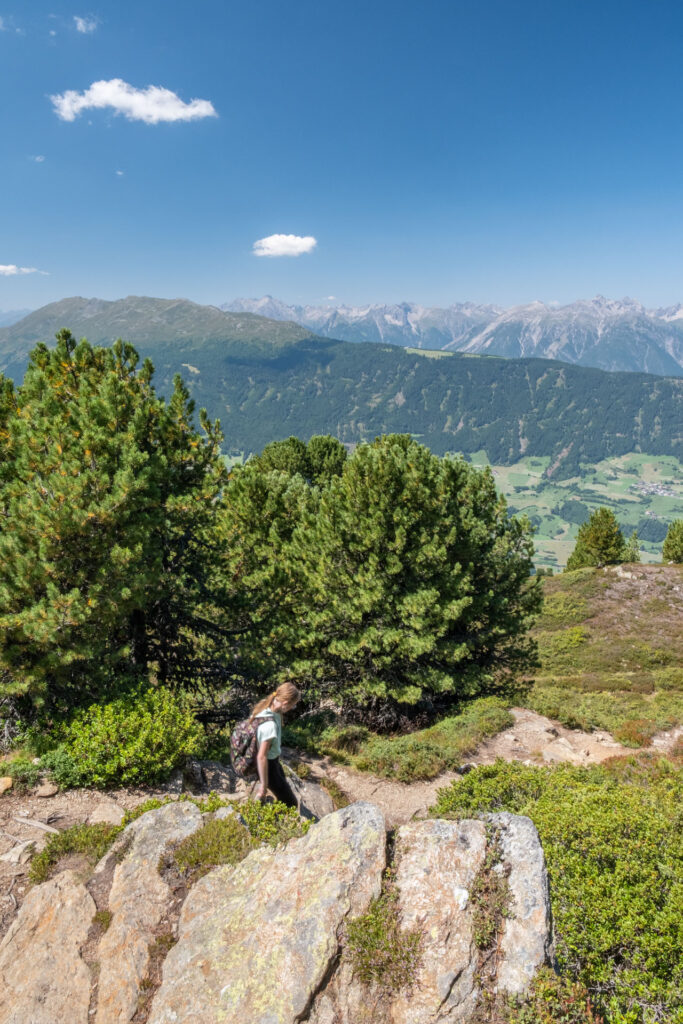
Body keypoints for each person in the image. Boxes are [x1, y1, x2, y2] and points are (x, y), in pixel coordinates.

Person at [251, 682, 301, 807]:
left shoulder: (267, 707)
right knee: (291, 804)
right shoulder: (269, 725)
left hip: (274, 761)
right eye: (293, 705)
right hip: (269, 766)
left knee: (283, 786)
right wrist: (264, 785)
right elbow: (261, 757)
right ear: (285, 703)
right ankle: (267, 817)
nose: (292, 708)